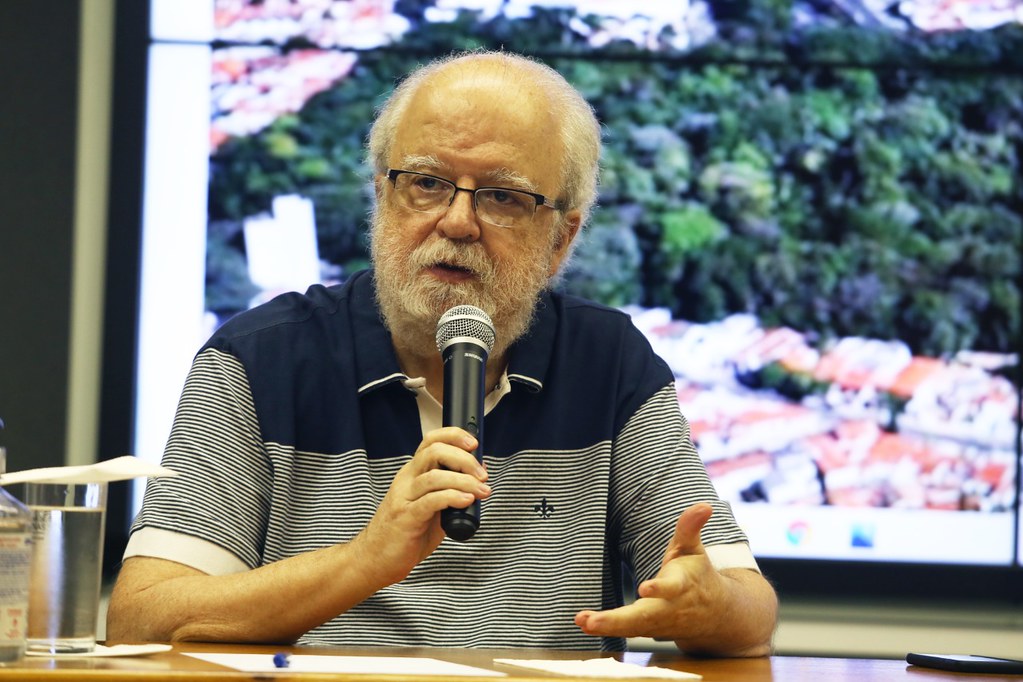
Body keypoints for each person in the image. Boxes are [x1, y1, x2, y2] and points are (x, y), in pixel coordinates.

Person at [106, 50, 778, 655]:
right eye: (426, 183)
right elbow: (143, 617)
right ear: (381, 196)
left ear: (560, 240)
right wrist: (366, 559)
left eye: (501, 197)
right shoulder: (258, 359)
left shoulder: (608, 363)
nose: (456, 223)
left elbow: (750, 611)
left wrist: (710, 604)